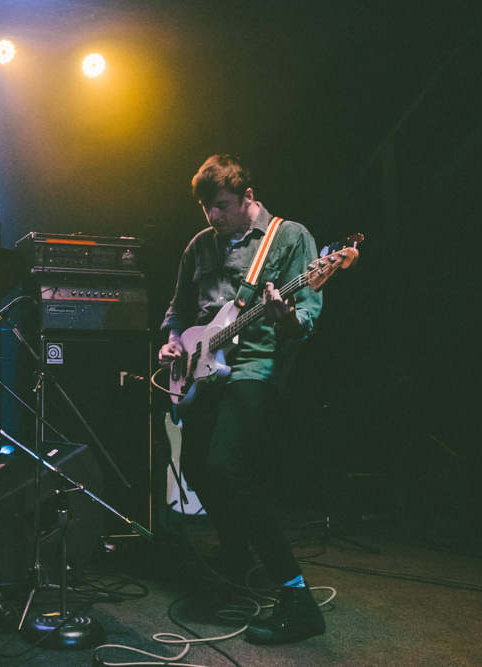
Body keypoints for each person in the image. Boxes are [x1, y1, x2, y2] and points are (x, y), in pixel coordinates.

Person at [158, 154, 325, 645]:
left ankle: (297, 596)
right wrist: (173, 339)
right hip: (202, 370)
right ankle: (236, 558)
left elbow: (305, 319)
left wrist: (281, 314)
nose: (215, 217)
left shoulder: (290, 238)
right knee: (194, 467)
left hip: (255, 367)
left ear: (248, 198)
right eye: (208, 209)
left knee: (228, 466)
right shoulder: (199, 245)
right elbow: (178, 308)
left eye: (224, 207)